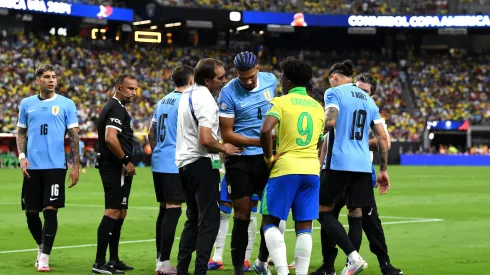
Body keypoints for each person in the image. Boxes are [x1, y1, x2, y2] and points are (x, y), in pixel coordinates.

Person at [312, 73, 403, 275]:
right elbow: (329, 143)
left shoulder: (354, 103)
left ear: (372, 94)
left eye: (365, 91)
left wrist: (358, 143)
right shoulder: (364, 106)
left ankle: (376, 263)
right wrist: (319, 165)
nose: (359, 93)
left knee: (367, 222)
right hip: (352, 167)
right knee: (340, 217)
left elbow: (384, 141)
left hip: (348, 168)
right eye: (358, 88)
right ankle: (330, 265)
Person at [175, 58, 242, 275]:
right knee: (209, 221)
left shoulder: (186, 95)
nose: (224, 81)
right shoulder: (207, 101)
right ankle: (200, 271)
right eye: (220, 78)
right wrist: (224, 147)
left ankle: (182, 268)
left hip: (184, 164)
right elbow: (205, 139)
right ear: (207, 80)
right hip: (202, 164)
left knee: (192, 219)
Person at [259, 57, 324, 275]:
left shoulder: (281, 102)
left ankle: (282, 271)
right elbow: (321, 140)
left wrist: (269, 158)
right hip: (311, 171)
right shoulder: (318, 107)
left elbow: (265, 130)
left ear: (287, 82)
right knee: (304, 226)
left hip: (286, 169)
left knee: (269, 221)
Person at [216, 51, 277, 275]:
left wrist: (269, 145)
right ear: (236, 73)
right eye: (243, 78)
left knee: (271, 213)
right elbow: (227, 134)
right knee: (242, 214)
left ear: (258, 69)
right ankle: (238, 270)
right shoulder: (228, 92)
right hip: (240, 159)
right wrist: (261, 140)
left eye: (251, 76)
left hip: (266, 159)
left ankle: (262, 261)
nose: (248, 81)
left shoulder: (271, 81)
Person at [16, 64, 80, 272]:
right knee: (31, 212)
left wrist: (75, 165)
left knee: (50, 211)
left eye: (54, 76)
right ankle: (41, 245)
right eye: (46, 77)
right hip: (32, 168)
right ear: (38, 80)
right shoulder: (26, 104)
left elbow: (74, 136)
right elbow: (21, 133)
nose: (51, 80)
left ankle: (44, 257)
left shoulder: (66, 104)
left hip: (55, 167)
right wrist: (22, 156)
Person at [148, 65, 195, 275]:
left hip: (159, 161)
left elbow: (151, 132)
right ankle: (164, 263)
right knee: (174, 210)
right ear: (191, 79)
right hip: (174, 163)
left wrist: (158, 151)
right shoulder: (187, 100)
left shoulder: (163, 101)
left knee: (164, 209)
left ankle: (160, 260)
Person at [92, 74, 138, 274]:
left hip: (116, 167)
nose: (134, 93)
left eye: (136, 89)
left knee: (120, 212)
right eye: (130, 89)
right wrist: (126, 161)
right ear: (119, 88)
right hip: (114, 166)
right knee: (112, 211)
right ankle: (100, 263)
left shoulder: (117, 107)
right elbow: (111, 138)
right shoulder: (116, 108)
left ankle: (113, 259)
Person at [208, 175, 261, 272]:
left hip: (252, 171)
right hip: (232, 171)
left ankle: (246, 260)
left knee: (249, 212)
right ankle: (217, 258)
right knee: (223, 211)